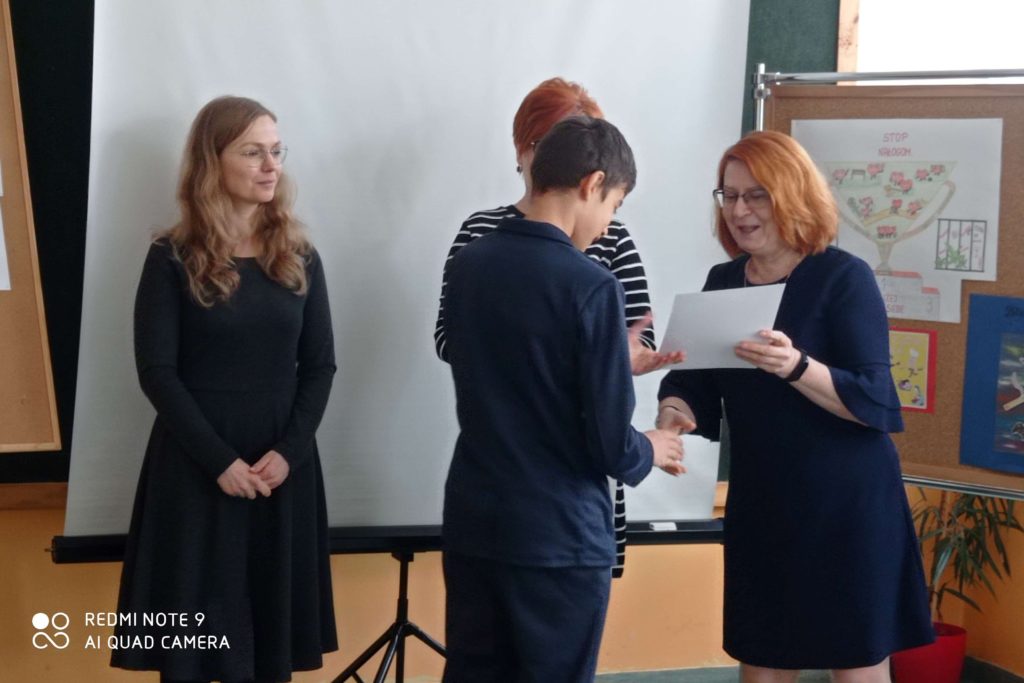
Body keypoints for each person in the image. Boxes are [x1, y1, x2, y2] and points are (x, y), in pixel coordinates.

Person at [656, 130, 933, 682]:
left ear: (792, 195)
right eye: (729, 195)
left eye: (756, 195)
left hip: (846, 509)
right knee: (762, 660)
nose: (739, 211)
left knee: (855, 663)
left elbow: (874, 399)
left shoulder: (843, 277)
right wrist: (672, 412)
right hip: (764, 505)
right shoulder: (723, 281)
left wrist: (796, 366)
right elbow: (694, 380)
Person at [441, 116, 685, 682]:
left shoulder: (471, 264)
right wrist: (651, 446)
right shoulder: (591, 285)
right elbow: (607, 441)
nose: (608, 225)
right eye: (614, 205)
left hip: (475, 522)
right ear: (591, 184)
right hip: (558, 536)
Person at [112, 96, 337, 683]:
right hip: (196, 468)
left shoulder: (299, 256)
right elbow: (156, 372)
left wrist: (288, 454)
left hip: (279, 470)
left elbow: (320, 367)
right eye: (253, 152)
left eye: (277, 151)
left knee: (268, 650)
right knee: (192, 651)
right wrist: (220, 463)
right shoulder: (171, 257)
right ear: (213, 162)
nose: (271, 165)